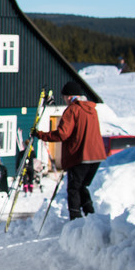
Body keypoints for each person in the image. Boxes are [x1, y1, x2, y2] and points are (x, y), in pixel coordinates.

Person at [33, 81, 107, 220]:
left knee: (73, 189)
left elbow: (63, 134)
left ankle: (76, 219)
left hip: (80, 156)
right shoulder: (91, 109)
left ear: (68, 96)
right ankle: (91, 216)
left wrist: (41, 135)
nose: (64, 101)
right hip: (96, 156)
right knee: (82, 186)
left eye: (63, 98)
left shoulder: (73, 110)